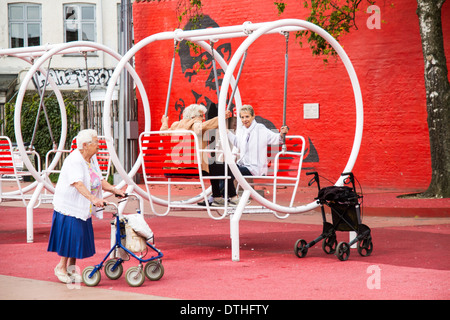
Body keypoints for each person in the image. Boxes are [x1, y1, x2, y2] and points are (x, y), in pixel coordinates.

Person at [47, 129, 126, 284]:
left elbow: (98, 179)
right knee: (71, 236)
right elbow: (78, 183)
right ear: (85, 145)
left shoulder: (91, 158)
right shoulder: (75, 159)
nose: (98, 144)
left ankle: (71, 268)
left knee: (78, 237)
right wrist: (93, 198)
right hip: (69, 204)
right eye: (96, 142)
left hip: (82, 204)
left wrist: (115, 190)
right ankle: (61, 268)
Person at [161, 104, 239, 206]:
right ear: (194, 117)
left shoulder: (175, 126)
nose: (203, 118)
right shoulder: (195, 125)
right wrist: (221, 117)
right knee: (226, 168)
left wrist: (164, 122)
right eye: (201, 116)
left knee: (213, 165)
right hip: (192, 167)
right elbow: (202, 127)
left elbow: (162, 133)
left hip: (173, 168)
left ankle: (217, 197)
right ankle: (233, 197)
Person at [227, 104, 289, 177]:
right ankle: (222, 189)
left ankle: (224, 188)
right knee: (223, 169)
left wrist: (282, 134)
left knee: (229, 171)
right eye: (242, 117)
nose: (244, 120)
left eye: (247, 116)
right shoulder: (242, 130)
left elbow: (276, 138)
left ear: (253, 116)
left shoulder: (260, 129)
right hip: (243, 165)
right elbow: (237, 143)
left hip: (255, 169)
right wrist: (226, 132)